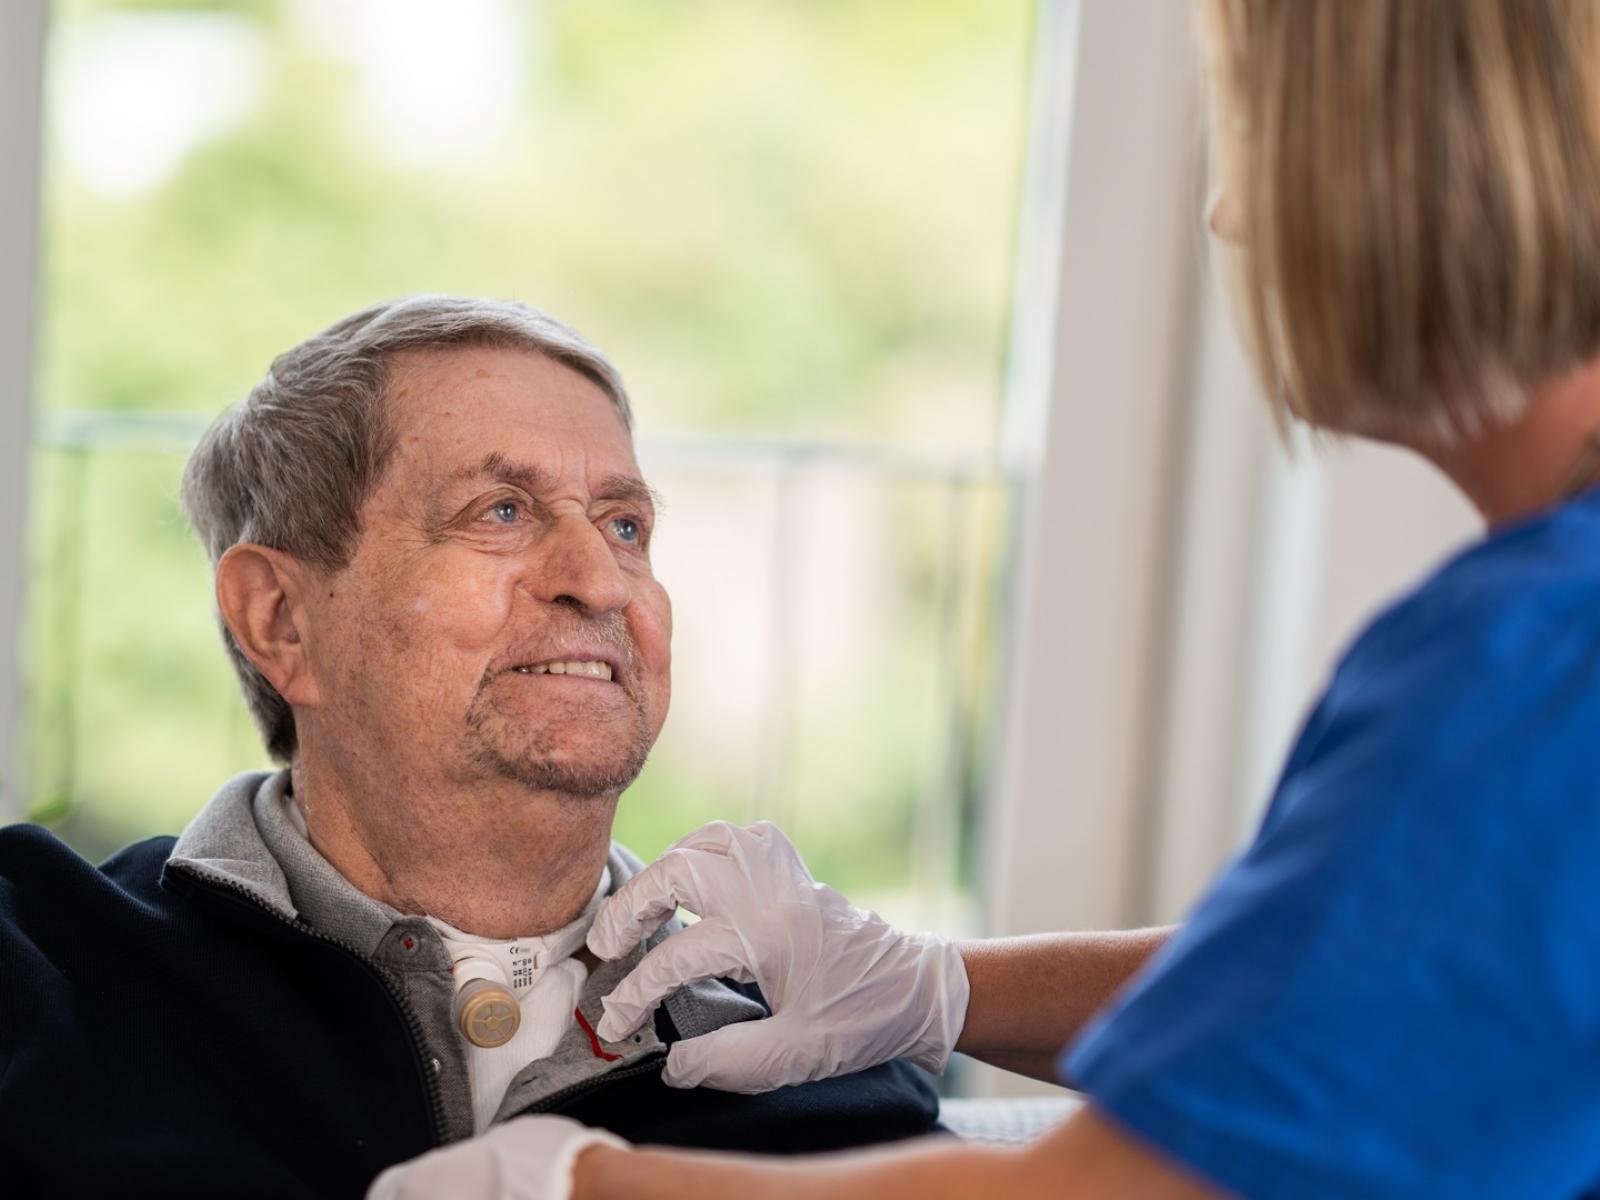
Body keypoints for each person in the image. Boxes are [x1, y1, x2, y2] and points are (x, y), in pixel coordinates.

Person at [371, 1, 1600, 1196]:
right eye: (498, 514)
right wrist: (938, 987)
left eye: (1267, 135)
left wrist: (577, 1190)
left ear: (1438, 153)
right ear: (274, 620)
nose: (1229, 212)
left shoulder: (1538, 666)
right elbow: (1400, 997)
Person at [0, 295, 947, 1196]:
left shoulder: (820, 1060)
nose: (599, 580)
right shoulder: (37, 965)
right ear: (281, 620)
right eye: (501, 511)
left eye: (626, 526)